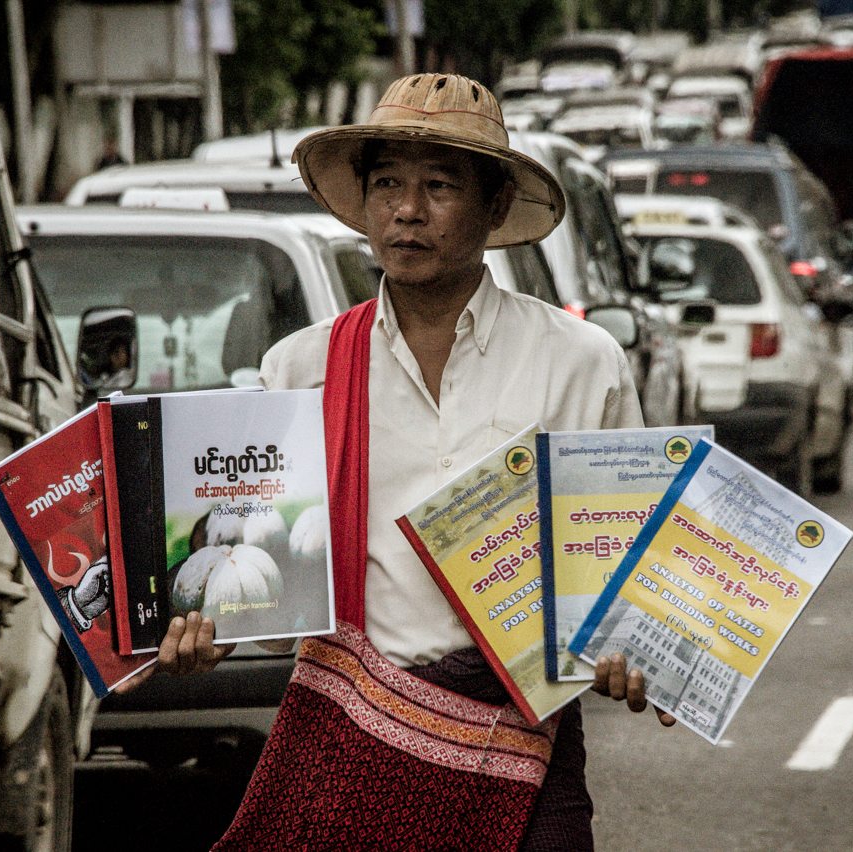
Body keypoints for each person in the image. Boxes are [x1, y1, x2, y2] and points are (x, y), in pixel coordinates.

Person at [117, 73, 673, 851]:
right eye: (387, 185)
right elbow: (275, 579)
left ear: (496, 203)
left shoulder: (582, 362)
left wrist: (639, 650)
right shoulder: (300, 368)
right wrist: (203, 636)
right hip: (351, 748)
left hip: (524, 749)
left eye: (439, 186)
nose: (407, 211)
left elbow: (635, 570)